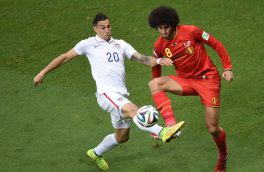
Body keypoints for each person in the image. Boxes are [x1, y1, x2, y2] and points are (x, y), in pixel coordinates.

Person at [33, 12, 185, 171]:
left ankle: (95, 153)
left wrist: (160, 60)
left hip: (120, 95)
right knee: (133, 110)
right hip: (106, 94)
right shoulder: (88, 44)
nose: (107, 30)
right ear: (95, 29)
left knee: (122, 137)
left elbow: (142, 59)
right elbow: (64, 57)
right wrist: (42, 72)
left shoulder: (120, 44)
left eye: (109, 26)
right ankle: (163, 132)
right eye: (102, 27)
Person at [147, 6, 233, 172]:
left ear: (173, 25)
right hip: (186, 81)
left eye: (166, 27)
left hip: (208, 79)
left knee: (213, 128)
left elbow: (215, 44)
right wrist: (157, 86)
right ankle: (170, 124)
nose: (163, 32)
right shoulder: (159, 46)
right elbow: (156, 71)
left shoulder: (191, 31)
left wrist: (227, 68)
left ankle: (223, 157)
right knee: (154, 84)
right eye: (160, 28)